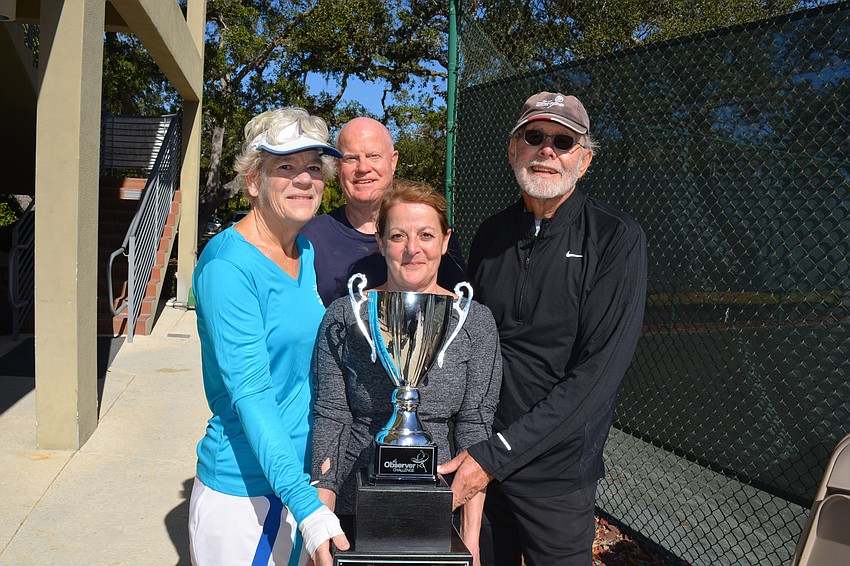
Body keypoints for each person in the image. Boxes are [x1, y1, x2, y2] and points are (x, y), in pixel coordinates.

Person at [438, 92, 648, 565]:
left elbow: (598, 374)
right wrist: (479, 448)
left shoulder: (616, 237)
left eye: (564, 141)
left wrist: (500, 453)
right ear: (514, 149)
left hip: (555, 475)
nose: (547, 150)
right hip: (482, 462)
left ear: (585, 159)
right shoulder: (491, 235)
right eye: (534, 136)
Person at [188, 107, 350, 566]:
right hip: (246, 499)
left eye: (314, 168)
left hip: (295, 482)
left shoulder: (304, 249)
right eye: (286, 167)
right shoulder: (228, 267)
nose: (304, 179)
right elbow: (253, 393)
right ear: (254, 180)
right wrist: (306, 505)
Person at [311, 179, 503, 565]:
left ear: (446, 241)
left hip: (438, 512)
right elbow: (331, 417)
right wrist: (321, 525)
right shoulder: (346, 316)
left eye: (426, 235)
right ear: (380, 241)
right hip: (353, 506)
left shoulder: (475, 322)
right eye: (398, 235)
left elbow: (475, 426)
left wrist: (470, 542)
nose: (412, 249)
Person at [300, 117, 467, 306]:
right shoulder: (309, 239)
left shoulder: (431, 241)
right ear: (338, 166)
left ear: (393, 161)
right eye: (351, 158)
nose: (363, 168)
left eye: (373, 156)